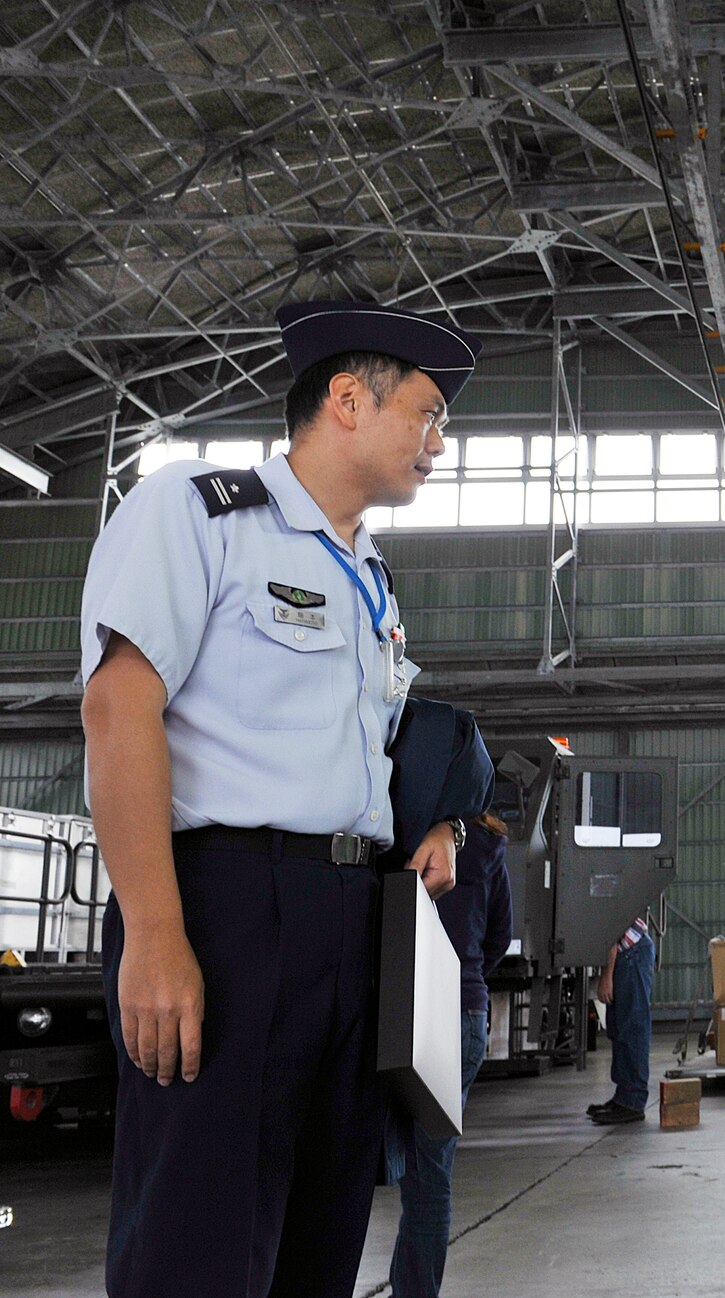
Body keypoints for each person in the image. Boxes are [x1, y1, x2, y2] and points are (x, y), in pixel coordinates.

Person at [80, 299, 481, 1296]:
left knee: (321, 1234)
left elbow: (364, 754)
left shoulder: (368, 579)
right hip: (226, 909)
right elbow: (119, 706)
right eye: (426, 414)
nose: (439, 442)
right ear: (347, 399)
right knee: (200, 1242)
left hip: (351, 922)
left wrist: (436, 815)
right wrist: (155, 931)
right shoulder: (200, 510)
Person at [388, 810, 514, 1296]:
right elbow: (499, 934)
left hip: (412, 1012)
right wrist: (466, 974)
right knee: (429, 1176)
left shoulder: (406, 825)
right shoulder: (486, 844)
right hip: (465, 1016)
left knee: (405, 1178)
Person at [588, 912, 656, 1124]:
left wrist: (606, 976)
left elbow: (610, 930)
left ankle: (633, 1100)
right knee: (619, 1028)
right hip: (626, 954)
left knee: (632, 1028)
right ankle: (624, 1095)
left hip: (630, 953)